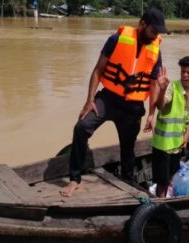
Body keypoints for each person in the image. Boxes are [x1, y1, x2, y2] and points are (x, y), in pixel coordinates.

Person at [60, 8, 169, 197]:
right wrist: (89, 100)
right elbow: (98, 70)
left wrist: (151, 113)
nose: (155, 36)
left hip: (133, 106)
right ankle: (74, 179)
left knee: (128, 147)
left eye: (158, 32)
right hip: (109, 98)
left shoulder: (155, 50)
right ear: (142, 24)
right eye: (153, 31)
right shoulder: (116, 39)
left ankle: (128, 180)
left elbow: (153, 84)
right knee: (82, 127)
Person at [151, 56, 189, 198]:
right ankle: (160, 207)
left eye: (188, 72)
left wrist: (187, 132)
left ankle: (164, 202)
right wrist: (161, 90)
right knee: (162, 181)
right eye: (183, 72)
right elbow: (161, 105)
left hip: (177, 144)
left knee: (171, 177)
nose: (185, 75)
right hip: (163, 144)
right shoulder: (171, 87)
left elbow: (187, 116)